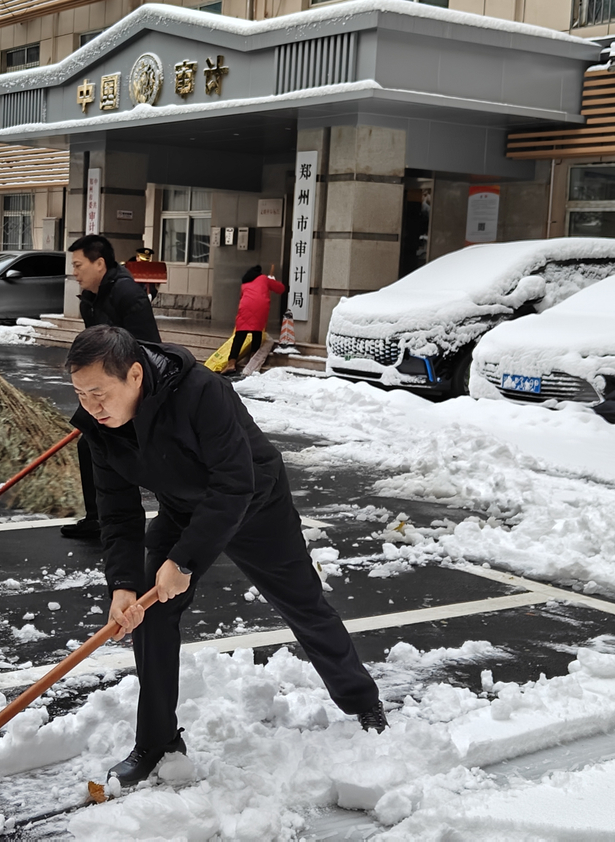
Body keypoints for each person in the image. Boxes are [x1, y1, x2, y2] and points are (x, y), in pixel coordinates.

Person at [66, 325, 387, 785]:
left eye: (98, 393)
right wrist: (122, 583)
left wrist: (186, 561)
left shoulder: (200, 392)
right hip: (182, 508)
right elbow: (117, 512)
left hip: (256, 505)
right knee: (150, 615)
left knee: (303, 605)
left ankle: (362, 702)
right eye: (80, 393)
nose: (90, 406)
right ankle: (157, 741)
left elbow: (235, 483)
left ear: (135, 375)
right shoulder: (99, 426)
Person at [62, 234, 161, 541]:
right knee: (93, 445)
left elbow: (148, 347)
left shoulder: (127, 294)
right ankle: (101, 517)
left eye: (79, 265)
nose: (75, 272)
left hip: (129, 392)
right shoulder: (92, 298)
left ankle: (120, 519)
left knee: (121, 449)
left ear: (99, 263)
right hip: (103, 389)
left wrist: (133, 398)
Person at [222, 265, 285, 374]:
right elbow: (281, 289)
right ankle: (252, 360)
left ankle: (231, 363)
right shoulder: (264, 278)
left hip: (245, 306)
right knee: (257, 332)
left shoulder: (245, 283)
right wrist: (271, 281)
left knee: (240, 335)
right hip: (260, 306)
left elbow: (242, 296)